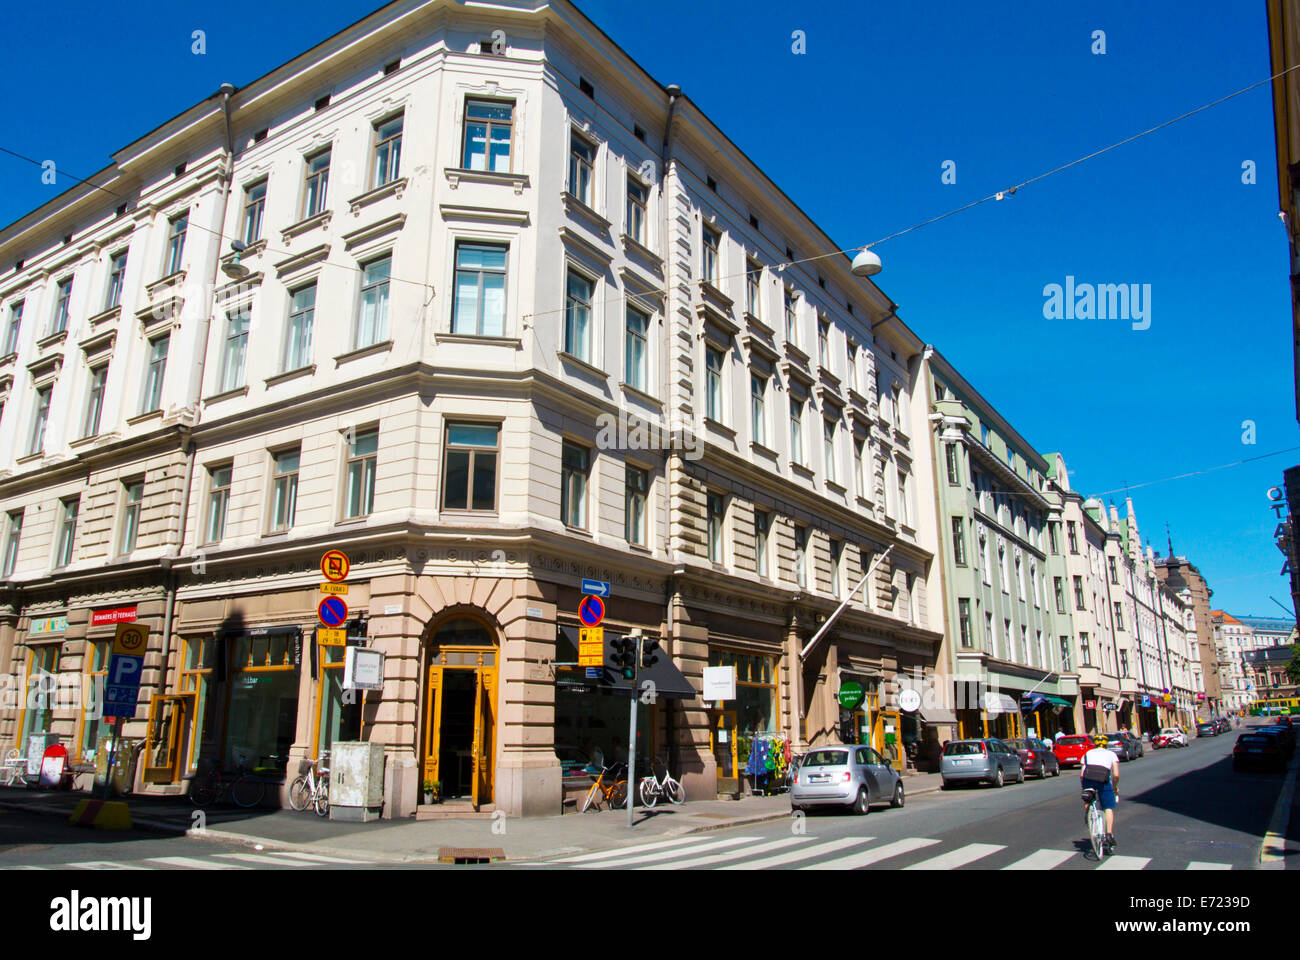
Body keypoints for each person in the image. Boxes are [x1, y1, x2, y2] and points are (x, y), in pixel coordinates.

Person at [1080, 739, 1120, 850]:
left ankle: (1088, 814)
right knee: (1108, 808)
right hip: (1104, 780)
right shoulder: (1111, 754)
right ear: (1106, 745)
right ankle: (1109, 834)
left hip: (1088, 780)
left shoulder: (1087, 754)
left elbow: (1082, 775)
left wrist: (1084, 788)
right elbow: (1116, 775)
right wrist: (1115, 788)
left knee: (1088, 798)